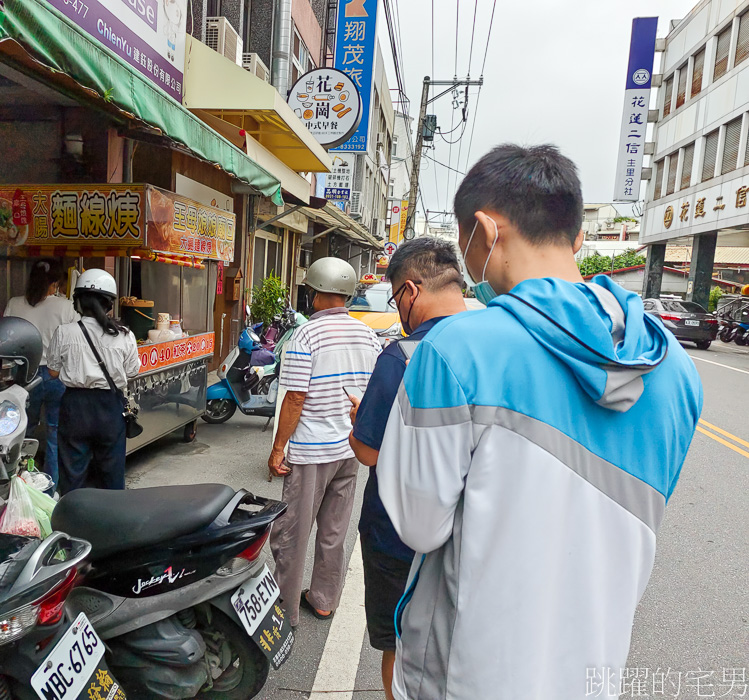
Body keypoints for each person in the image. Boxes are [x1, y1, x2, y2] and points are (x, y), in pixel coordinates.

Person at [376, 144, 703, 700]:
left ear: (484, 230)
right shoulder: (678, 370)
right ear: (576, 238)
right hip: (593, 673)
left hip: (468, 674)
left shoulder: (456, 349)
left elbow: (419, 524)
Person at [347, 238, 466, 700]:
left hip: (397, 538)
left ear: (411, 292)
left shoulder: (404, 355)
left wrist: (362, 422)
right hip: (466, 533)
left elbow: (369, 452)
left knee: (399, 643)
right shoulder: (496, 349)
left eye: (396, 297)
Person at [268, 257, 380, 627]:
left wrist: (278, 447)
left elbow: (296, 397)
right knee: (334, 530)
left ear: (315, 293)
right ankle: (322, 600)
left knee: (293, 532)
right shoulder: (367, 335)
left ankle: (284, 609)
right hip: (350, 448)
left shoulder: (307, 335)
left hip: (312, 450)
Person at [47, 269, 139, 493]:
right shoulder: (125, 334)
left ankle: (73, 521)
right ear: (109, 304)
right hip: (109, 407)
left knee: (72, 472)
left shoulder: (64, 332)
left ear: (78, 301)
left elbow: (53, 373)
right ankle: (110, 520)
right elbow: (132, 372)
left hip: (74, 407)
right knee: (111, 471)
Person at [4, 259, 78, 486]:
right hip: (55, 375)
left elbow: (7, 338)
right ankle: (50, 488)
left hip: (24, 375)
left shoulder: (14, 304)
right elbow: (77, 339)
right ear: (54, 284)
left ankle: (22, 483)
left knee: (25, 432)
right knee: (55, 434)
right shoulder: (65, 306)